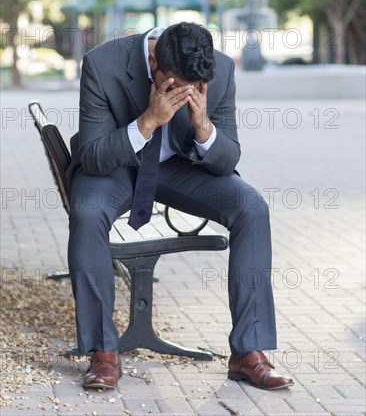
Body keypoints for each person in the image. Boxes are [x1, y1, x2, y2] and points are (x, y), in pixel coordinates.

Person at [67, 22, 294, 390]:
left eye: (194, 88)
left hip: (178, 170)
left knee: (251, 206)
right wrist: (148, 121)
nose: (184, 93)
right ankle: (102, 352)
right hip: (116, 166)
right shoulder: (101, 64)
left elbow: (226, 158)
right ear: (154, 60)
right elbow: (92, 157)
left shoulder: (218, 69)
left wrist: (203, 125)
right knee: (88, 212)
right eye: (174, 85)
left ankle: (248, 351)